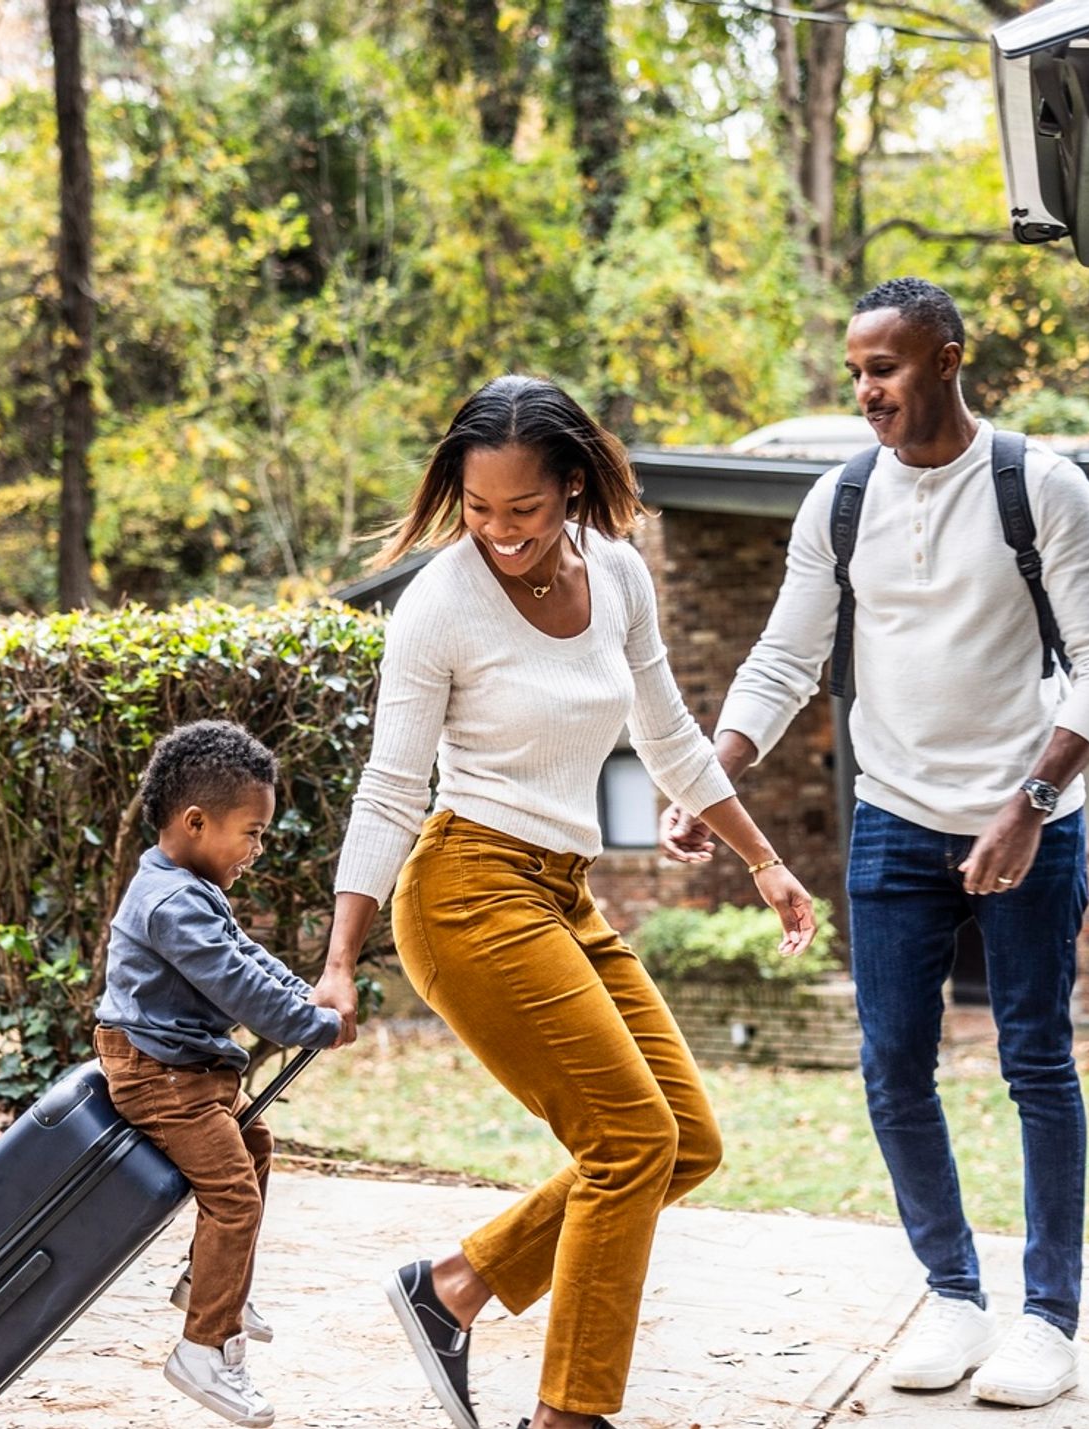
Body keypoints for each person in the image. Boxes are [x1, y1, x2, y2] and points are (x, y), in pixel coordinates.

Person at [664, 278, 1089, 1409]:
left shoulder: (1041, 487)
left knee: (1036, 1061)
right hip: (891, 818)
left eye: (883, 368)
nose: (866, 392)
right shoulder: (838, 504)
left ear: (946, 357)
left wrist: (1029, 801)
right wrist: (710, 771)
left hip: (1030, 816)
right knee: (891, 1068)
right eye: (855, 374)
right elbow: (784, 664)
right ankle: (953, 1293)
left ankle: (1049, 1319)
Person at [311, 375, 818, 1429]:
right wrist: (339, 957)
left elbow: (668, 732)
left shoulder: (621, 574)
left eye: (525, 511)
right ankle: (570, 1417)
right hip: (465, 893)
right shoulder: (438, 605)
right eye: (480, 510)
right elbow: (392, 786)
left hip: (560, 893)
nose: (501, 533)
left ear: (575, 487)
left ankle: (453, 1285)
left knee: (686, 1139)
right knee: (630, 1142)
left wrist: (763, 859)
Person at [93, 720, 359, 1428]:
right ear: (195, 820)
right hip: (160, 1076)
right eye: (253, 831)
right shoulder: (173, 902)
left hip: (185, 1071)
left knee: (254, 1144)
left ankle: (212, 1286)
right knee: (234, 1197)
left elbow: (246, 956)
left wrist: (306, 993)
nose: (258, 848)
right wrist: (314, 1023)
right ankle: (204, 1348)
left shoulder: (183, 886)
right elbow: (235, 986)